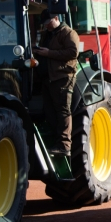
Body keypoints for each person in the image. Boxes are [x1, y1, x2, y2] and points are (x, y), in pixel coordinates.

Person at [34, 9, 80, 156]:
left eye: (48, 22)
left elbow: (73, 53)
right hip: (48, 78)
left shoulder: (68, 33)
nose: (46, 25)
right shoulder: (47, 34)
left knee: (63, 110)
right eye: (45, 23)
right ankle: (55, 142)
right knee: (50, 112)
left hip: (62, 77)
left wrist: (48, 53)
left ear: (56, 18)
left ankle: (65, 146)